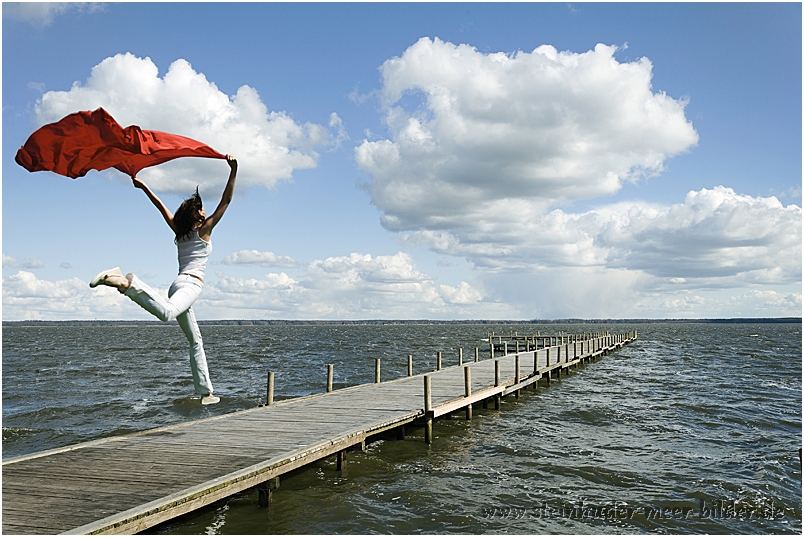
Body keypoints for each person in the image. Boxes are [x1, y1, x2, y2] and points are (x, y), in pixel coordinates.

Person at [89, 155, 238, 405]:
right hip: (190, 285)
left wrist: (144, 186)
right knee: (167, 314)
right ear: (197, 216)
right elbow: (227, 200)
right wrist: (234, 170)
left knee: (195, 340)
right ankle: (126, 283)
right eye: (201, 209)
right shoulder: (204, 230)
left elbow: (160, 206)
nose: (205, 211)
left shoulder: (179, 232)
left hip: (177, 284)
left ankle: (206, 392)